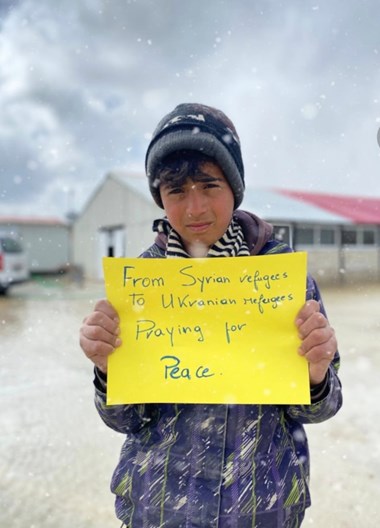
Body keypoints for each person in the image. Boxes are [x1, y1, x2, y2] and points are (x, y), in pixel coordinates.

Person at [79, 103, 342, 527]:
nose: (195, 208)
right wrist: (108, 371)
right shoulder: (141, 285)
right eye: (176, 191)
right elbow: (126, 420)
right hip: (159, 510)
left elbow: (320, 409)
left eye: (209, 185)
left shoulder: (283, 282)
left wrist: (315, 375)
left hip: (262, 511)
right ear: (160, 197)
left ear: (234, 188)